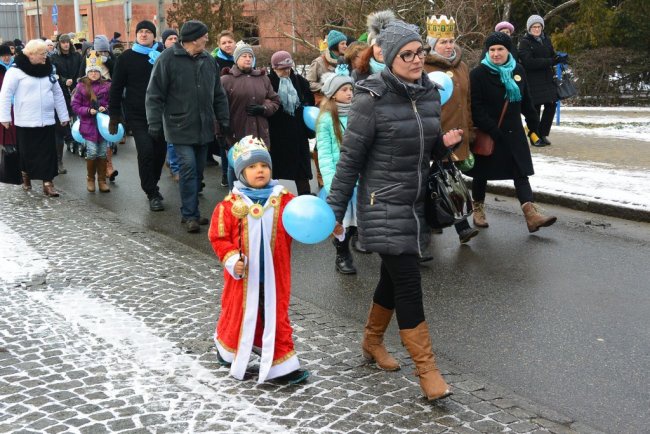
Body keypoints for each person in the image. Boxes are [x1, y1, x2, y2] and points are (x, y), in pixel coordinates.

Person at [326, 20, 461, 401]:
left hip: (415, 202)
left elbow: (425, 149)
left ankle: (371, 342)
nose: (417, 60)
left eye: (420, 52)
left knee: (392, 276)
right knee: (408, 280)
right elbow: (350, 160)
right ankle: (428, 371)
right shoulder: (371, 99)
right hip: (381, 202)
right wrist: (334, 211)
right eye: (408, 54)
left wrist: (442, 146)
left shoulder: (431, 94)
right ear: (388, 56)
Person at [208, 136, 309, 384]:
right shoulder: (230, 206)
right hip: (244, 277)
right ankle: (229, 349)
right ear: (241, 173)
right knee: (238, 312)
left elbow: (304, 219)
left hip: (275, 276)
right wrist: (232, 259)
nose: (259, 170)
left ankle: (282, 365)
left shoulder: (284, 200)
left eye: (263, 166)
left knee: (275, 313)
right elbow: (219, 236)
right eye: (252, 167)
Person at [467, 32, 557, 233]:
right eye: (492, 50)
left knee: (520, 172)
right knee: (482, 173)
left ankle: (531, 215)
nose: (496, 53)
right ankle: (478, 209)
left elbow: (526, 101)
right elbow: (476, 108)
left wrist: (535, 128)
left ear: (509, 50)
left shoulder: (518, 70)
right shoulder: (478, 74)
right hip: (489, 132)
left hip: (514, 132)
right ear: (487, 52)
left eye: (500, 49)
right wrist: (492, 130)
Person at [147, 20, 230, 233]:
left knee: (198, 172)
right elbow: (154, 94)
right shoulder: (167, 59)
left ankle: (189, 209)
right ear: (193, 38)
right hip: (178, 126)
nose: (206, 39)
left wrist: (224, 119)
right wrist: (154, 123)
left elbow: (218, 94)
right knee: (189, 170)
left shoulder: (208, 61)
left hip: (203, 126)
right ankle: (190, 215)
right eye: (204, 36)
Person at [423, 15, 479, 244]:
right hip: (436, 134)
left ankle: (442, 222)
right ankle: (458, 226)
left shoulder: (462, 66)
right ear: (432, 44)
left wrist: (470, 128)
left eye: (451, 41)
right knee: (439, 181)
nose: (448, 46)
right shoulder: (423, 66)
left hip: (458, 133)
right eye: (443, 42)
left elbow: (467, 101)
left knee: (448, 179)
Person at [0, 39, 70, 196]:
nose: (46, 56)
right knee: (27, 152)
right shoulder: (15, 71)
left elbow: (58, 93)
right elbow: (5, 94)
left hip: (47, 119)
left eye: (46, 53)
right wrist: (4, 117)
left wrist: (63, 115)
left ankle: (48, 183)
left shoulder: (48, 70)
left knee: (48, 152)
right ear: (31, 55)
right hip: (25, 120)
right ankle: (26, 175)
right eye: (42, 53)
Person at [109, 20, 166, 211]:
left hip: (160, 113)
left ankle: (153, 182)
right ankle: (151, 192)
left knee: (159, 152)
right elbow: (116, 88)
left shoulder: (163, 55)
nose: (143, 34)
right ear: (136, 35)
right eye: (140, 31)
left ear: (153, 35)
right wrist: (114, 115)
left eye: (147, 32)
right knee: (146, 150)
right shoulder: (126, 58)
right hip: (137, 114)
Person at [316, 65, 362, 274]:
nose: (350, 93)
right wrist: (329, 179)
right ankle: (342, 253)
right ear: (333, 94)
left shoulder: (358, 114)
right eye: (344, 90)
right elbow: (324, 153)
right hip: (338, 178)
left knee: (357, 216)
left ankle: (352, 238)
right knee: (340, 218)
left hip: (359, 176)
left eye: (351, 90)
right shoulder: (326, 119)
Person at [220, 42, 280, 190]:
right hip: (237, 132)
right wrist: (220, 133)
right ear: (236, 59)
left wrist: (263, 108)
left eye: (250, 56)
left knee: (260, 167)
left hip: (260, 132)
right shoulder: (226, 80)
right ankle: (234, 198)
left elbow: (275, 100)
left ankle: (261, 202)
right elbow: (218, 108)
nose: (247, 59)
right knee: (236, 167)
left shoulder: (262, 78)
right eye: (243, 56)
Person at [267, 50, 315, 196]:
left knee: (301, 168)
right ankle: (272, 197)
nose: (286, 72)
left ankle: (305, 195)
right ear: (274, 68)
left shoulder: (299, 80)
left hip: (297, 131)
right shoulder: (268, 82)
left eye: (288, 68)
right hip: (276, 131)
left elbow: (309, 100)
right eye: (282, 69)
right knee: (275, 166)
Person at [518, 15, 565, 146]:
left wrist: (559, 58)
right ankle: (535, 136)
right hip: (532, 80)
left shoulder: (546, 40)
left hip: (547, 79)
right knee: (535, 109)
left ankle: (543, 133)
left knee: (551, 105)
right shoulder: (525, 42)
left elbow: (551, 55)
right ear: (529, 28)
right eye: (534, 27)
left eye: (539, 26)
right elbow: (528, 62)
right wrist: (551, 61)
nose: (537, 29)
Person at [71, 52, 112, 193]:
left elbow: (111, 103)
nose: (94, 74)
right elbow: (75, 106)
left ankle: (102, 180)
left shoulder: (107, 86)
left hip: (103, 127)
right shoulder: (81, 87)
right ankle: (90, 179)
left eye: (96, 71)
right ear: (87, 73)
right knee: (92, 152)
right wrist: (88, 111)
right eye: (91, 71)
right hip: (88, 125)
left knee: (102, 153)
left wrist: (105, 107)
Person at [51, 33, 82, 175]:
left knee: (79, 119)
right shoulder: (54, 57)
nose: (65, 44)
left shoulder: (76, 56)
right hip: (60, 93)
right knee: (60, 126)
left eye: (67, 42)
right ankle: (58, 161)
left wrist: (78, 81)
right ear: (59, 44)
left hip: (77, 91)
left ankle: (76, 141)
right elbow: (53, 74)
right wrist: (64, 81)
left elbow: (81, 70)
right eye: (63, 42)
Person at [160, 29, 180, 182]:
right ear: (164, 42)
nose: (173, 41)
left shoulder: (184, 56)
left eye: (175, 38)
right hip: (166, 104)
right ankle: (175, 168)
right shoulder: (160, 58)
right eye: (170, 38)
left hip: (182, 103)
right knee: (172, 139)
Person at [351, 10, 395, 82]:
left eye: (386, 44)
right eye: (378, 45)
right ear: (372, 48)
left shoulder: (402, 72)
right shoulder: (358, 74)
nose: (382, 49)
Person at [307, 29, 348, 103]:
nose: (346, 46)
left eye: (346, 43)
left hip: (343, 104)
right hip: (325, 104)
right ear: (334, 45)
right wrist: (325, 87)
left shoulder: (347, 61)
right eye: (342, 44)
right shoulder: (319, 62)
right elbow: (308, 83)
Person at [0, 44, 19, 185]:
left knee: (17, 133)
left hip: (18, 105)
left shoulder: (16, 67)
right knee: (6, 133)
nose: (6, 57)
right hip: (4, 105)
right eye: (3, 55)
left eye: (8, 55)